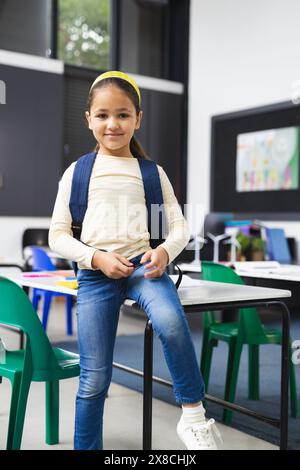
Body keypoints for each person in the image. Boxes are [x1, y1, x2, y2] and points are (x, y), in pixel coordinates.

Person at [49, 70, 221, 451]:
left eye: (123, 115)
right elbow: (57, 236)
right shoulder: (76, 172)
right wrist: (95, 258)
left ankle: (193, 416)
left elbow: (179, 228)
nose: (113, 124)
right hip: (96, 277)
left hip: (144, 269)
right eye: (104, 115)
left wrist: (162, 252)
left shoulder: (151, 173)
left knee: (173, 324)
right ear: (89, 119)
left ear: (138, 119)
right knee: (94, 380)